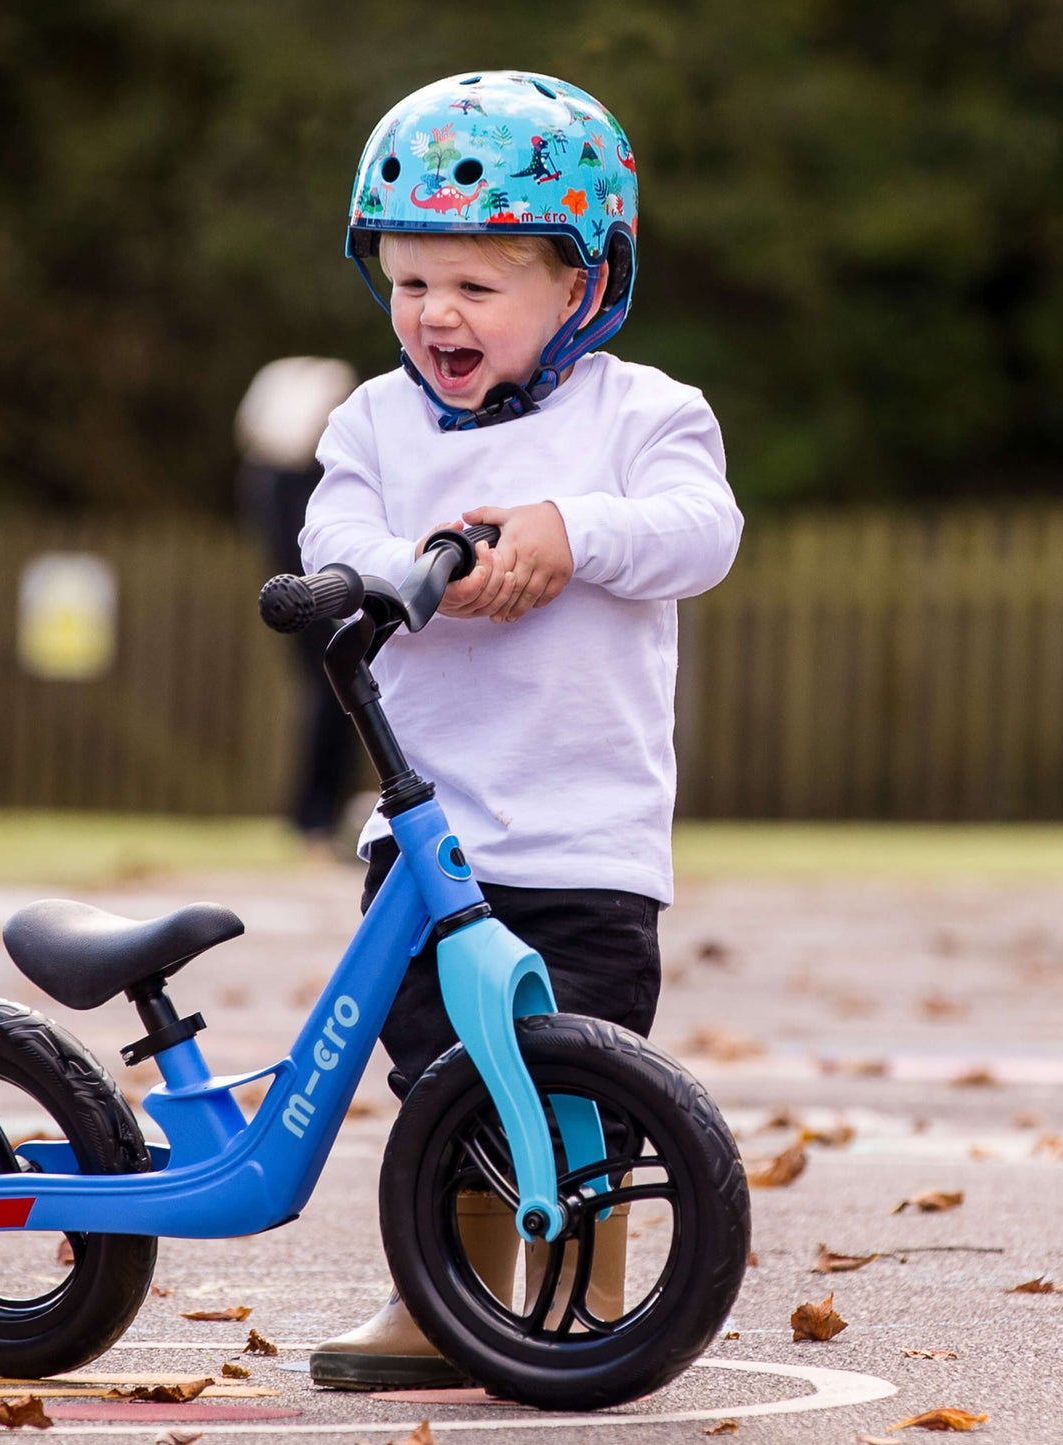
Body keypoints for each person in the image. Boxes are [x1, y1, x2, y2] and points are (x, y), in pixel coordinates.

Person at [300, 71, 744, 1390]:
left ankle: (584, 1293)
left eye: (476, 287)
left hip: (583, 836)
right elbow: (330, 541)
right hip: (431, 834)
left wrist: (567, 533)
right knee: (438, 1074)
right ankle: (443, 1298)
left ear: (580, 289)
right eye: (408, 281)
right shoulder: (370, 424)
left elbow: (698, 533)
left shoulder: (640, 416)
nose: (435, 312)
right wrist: (405, 570)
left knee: (579, 1078)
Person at [236, 357, 361, 843]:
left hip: (316, 597)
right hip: (316, 600)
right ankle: (314, 812)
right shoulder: (284, 480)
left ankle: (319, 810)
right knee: (331, 693)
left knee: (335, 695)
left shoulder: (278, 478)